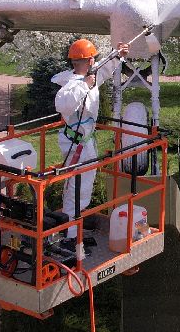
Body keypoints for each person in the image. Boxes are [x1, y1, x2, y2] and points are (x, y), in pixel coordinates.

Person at [54, 37, 128, 240]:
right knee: (75, 189)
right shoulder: (71, 84)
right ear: (88, 61)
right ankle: (70, 234)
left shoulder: (90, 78)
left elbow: (104, 70)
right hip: (76, 145)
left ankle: (74, 228)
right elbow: (62, 104)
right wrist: (84, 86)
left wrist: (117, 55)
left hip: (85, 143)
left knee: (83, 188)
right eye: (93, 58)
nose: (96, 61)